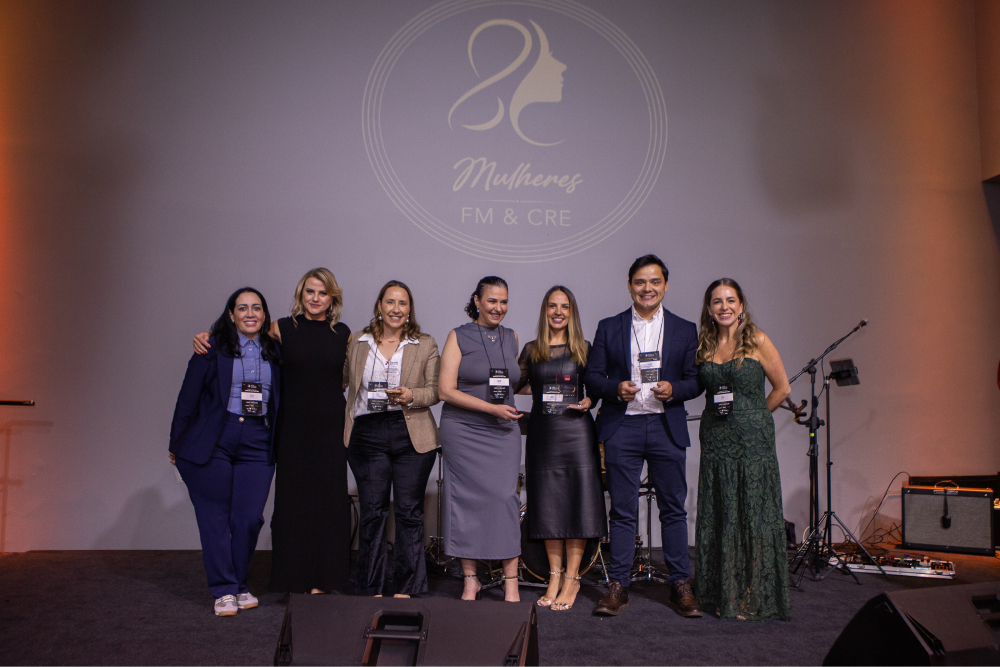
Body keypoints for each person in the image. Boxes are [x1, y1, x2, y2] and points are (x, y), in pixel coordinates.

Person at [194, 268, 351, 594]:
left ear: (332, 297)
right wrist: (208, 336)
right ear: (300, 294)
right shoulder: (281, 328)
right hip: (291, 428)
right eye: (309, 291)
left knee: (329, 502)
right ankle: (294, 579)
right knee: (293, 503)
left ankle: (326, 580)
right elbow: (243, 333)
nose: (315, 298)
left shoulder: (344, 333)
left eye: (322, 293)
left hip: (331, 428)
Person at [584, 254, 704, 618]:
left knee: (673, 509)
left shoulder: (685, 329)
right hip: (624, 426)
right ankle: (618, 585)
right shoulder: (609, 327)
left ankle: (680, 584)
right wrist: (614, 388)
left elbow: (696, 380)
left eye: (654, 282)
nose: (647, 288)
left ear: (665, 285)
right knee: (622, 511)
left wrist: (675, 389)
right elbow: (593, 377)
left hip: (666, 426)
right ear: (629, 286)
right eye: (640, 282)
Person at [170, 287, 281, 616]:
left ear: (265, 315)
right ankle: (225, 590)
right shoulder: (211, 347)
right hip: (216, 437)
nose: (250, 313)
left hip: (258, 439)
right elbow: (187, 398)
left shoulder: (276, 350)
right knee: (215, 517)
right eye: (242, 308)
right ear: (231, 315)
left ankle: (238, 583)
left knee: (248, 518)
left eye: (256, 308)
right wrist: (175, 443)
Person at [694, 278, 792, 620]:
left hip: (752, 442)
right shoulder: (704, 345)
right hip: (715, 440)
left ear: (741, 306)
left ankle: (753, 594)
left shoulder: (758, 340)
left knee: (753, 513)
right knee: (721, 512)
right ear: (709, 309)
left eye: (730, 300)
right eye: (717, 301)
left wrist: (754, 416)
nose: (724, 306)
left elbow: (782, 388)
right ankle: (724, 592)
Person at [344, 280, 440, 597]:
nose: (396, 309)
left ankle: (406, 588)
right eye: (390, 302)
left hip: (410, 433)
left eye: (402, 303)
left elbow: (435, 390)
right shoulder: (358, 341)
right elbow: (339, 377)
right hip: (367, 434)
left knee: (409, 512)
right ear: (379, 305)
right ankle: (369, 587)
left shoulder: (424, 344)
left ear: (409, 309)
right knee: (372, 512)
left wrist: (412, 395)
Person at [515, 286, 606, 611]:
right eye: (552, 306)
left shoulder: (584, 347)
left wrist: (590, 400)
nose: (558, 312)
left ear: (571, 312)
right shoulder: (531, 349)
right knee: (548, 506)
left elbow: (596, 386)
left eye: (564, 306)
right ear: (545, 311)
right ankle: (553, 577)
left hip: (576, 434)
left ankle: (572, 578)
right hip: (543, 435)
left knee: (576, 504)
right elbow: (514, 384)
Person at [438, 276, 523, 602]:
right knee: (466, 501)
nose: (498, 308)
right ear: (477, 301)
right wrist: (491, 408)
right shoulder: (458, 336)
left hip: (503, 432)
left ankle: (511, 582)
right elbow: (446, 390)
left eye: (504, 302)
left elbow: (513, 383)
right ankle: (470, 580)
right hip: (464, 430)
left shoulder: (512, 337)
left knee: (505, 500)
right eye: (492, 301)